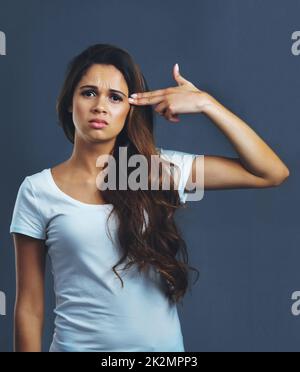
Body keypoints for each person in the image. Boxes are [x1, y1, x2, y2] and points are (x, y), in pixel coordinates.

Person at [10, 43, 289, 352]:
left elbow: (270, 172)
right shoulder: (38, 190)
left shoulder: (155, 171)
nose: (100, 106)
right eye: (88, 92)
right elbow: (29, 308)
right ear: (68, 103)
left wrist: (207, 104)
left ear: (129, 110)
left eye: (115, 97)